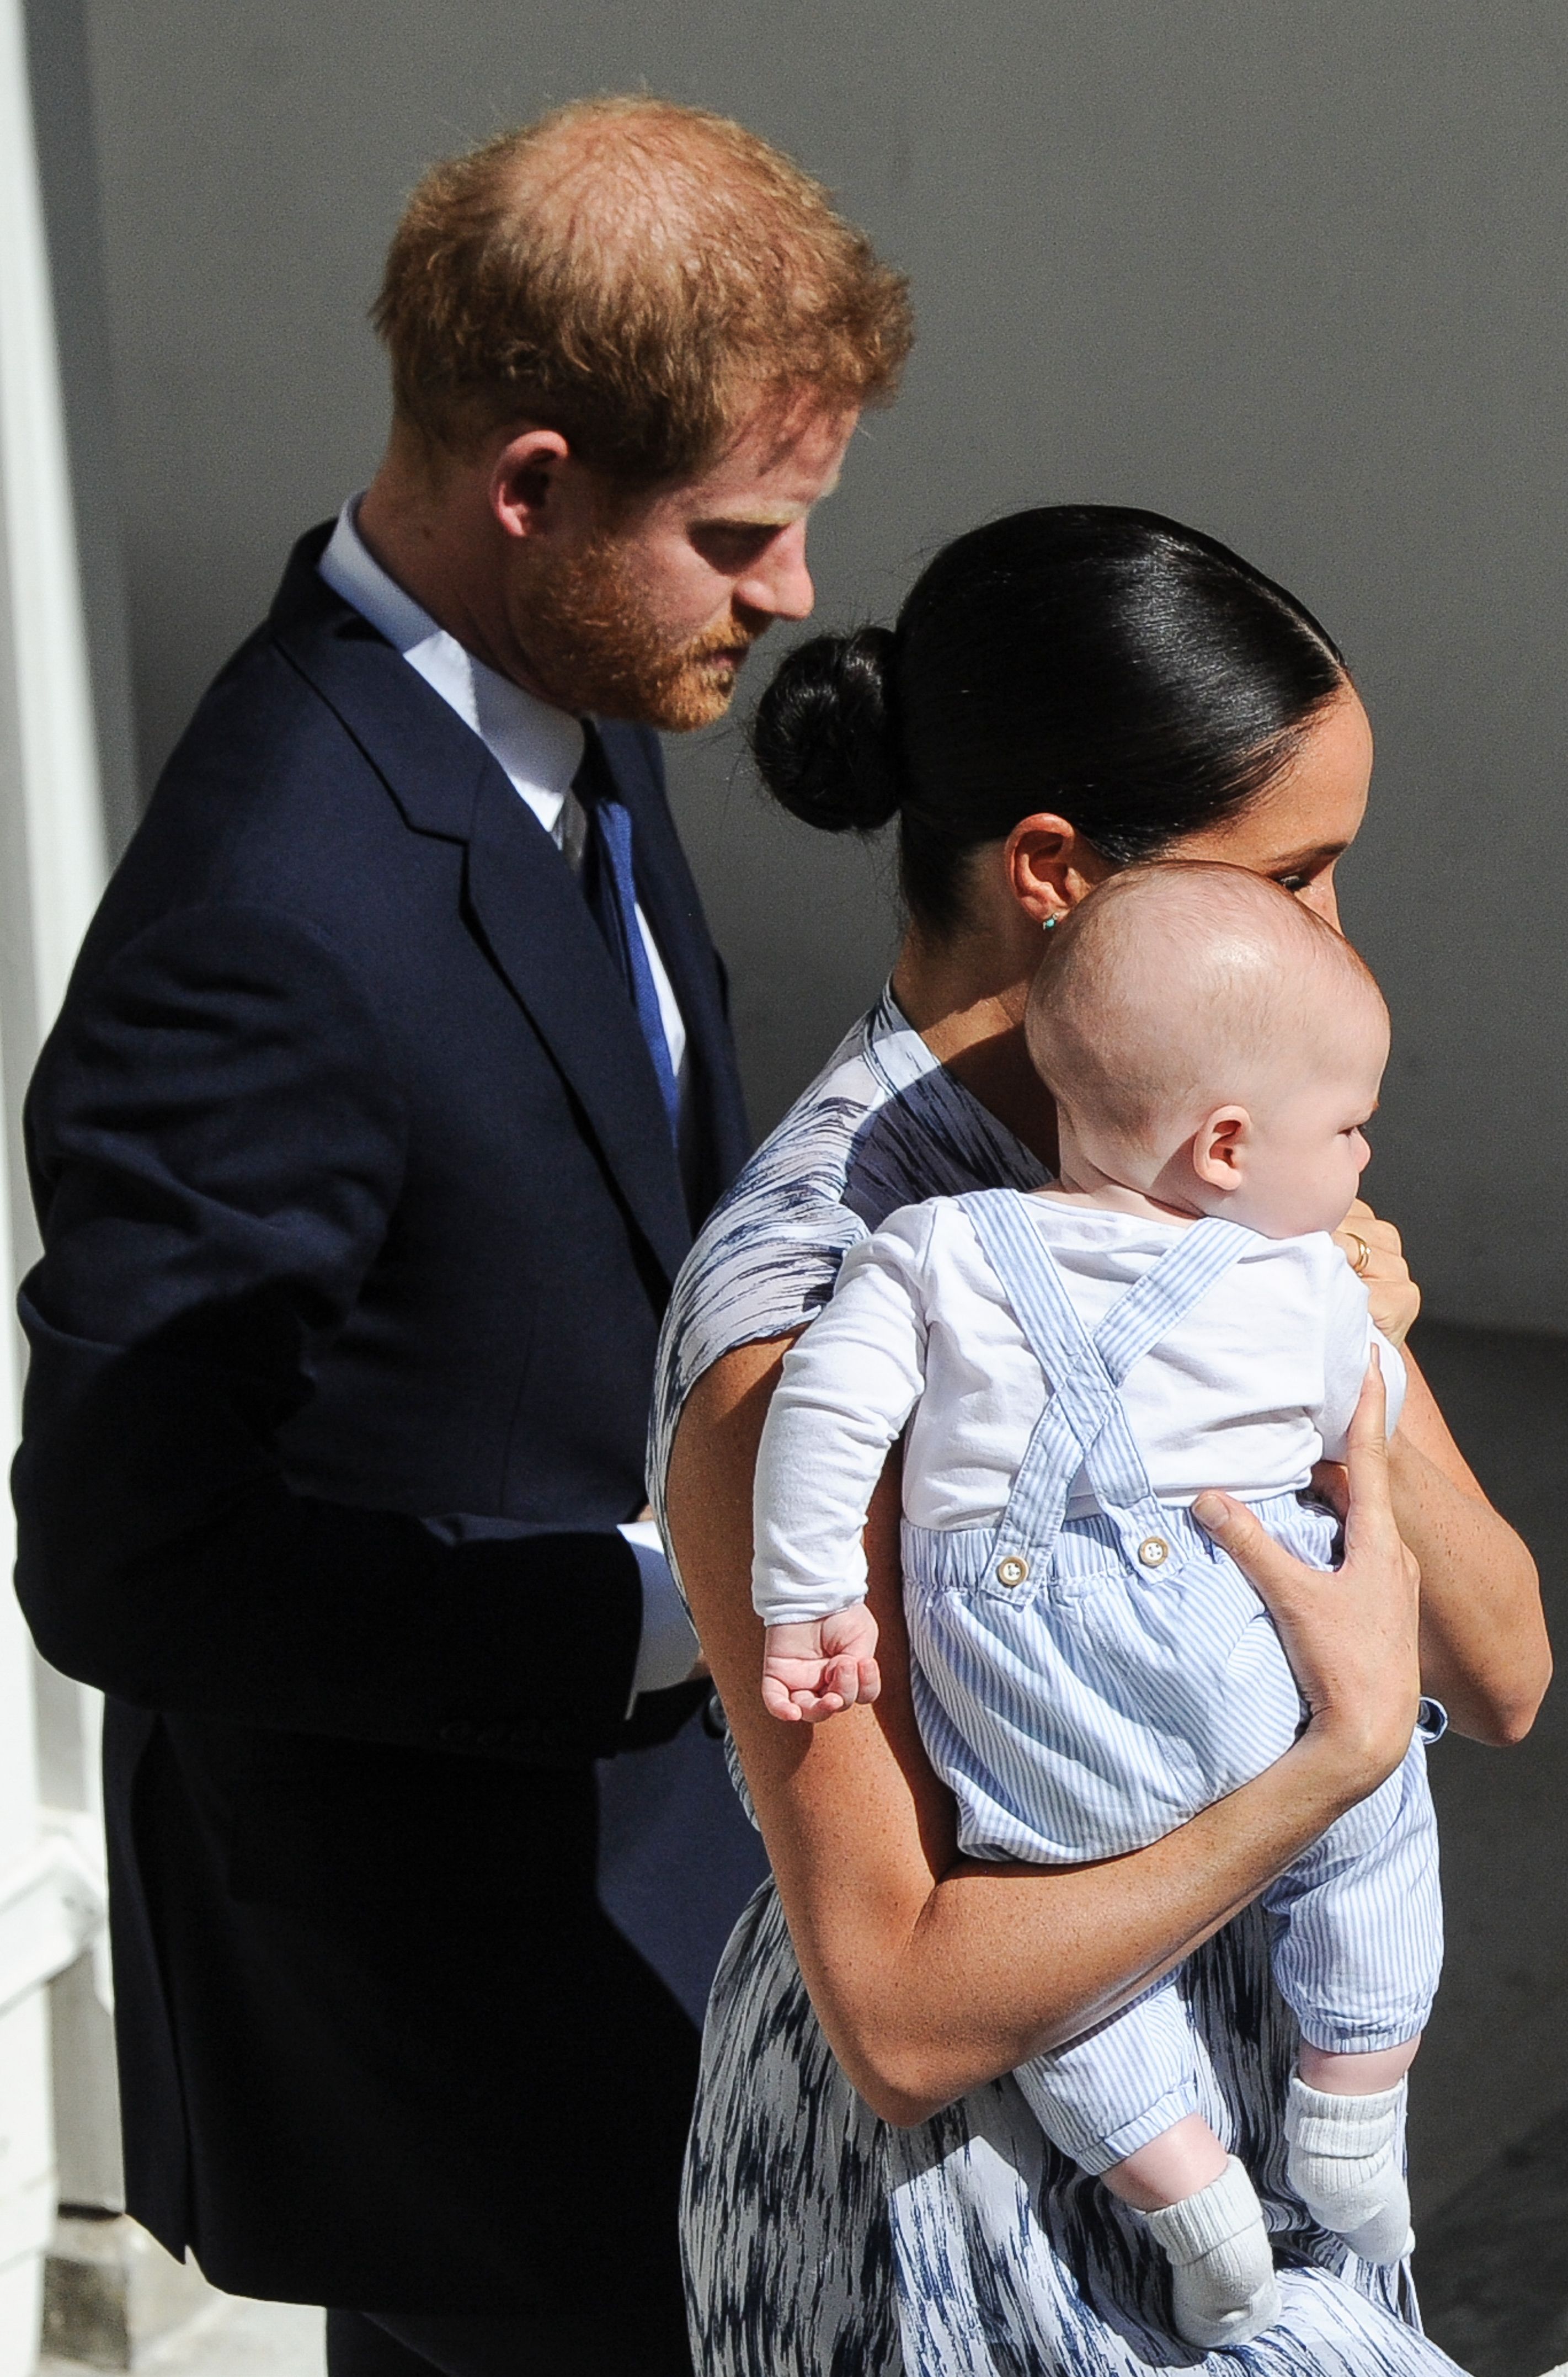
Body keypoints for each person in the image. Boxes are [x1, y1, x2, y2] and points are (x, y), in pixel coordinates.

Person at [12, 97, 911, 2377]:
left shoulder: (574, 694)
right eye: (738, 536)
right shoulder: (268, 923)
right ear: (529, 486)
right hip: (459, 2027)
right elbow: (127, 1563)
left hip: (658, 1948)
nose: (791, 595)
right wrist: (654, 1595)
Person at [655, 505, 1549, 2375]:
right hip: (977, 2253)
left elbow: (1505, 1659)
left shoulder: (1232, 1147)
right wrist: (1325, 1773)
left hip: (1267, 2157)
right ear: (1053, 868)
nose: (1331, 939)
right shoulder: (810, 1318)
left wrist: (1362, 1349)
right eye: (1295, 877)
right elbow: (896, 2004)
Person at [750, 864, 1443, 2349]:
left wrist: (809, 1598)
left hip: (1016, 1663)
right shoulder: (1301, 1287)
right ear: (1228, 1142)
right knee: (1374, 1823)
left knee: (1057, 1915)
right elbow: (1361, 1438)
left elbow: (825, 1410)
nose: (1364, 1149)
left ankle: (1181, 2194)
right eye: (1348, 1124)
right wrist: (1380, 1335)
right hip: (1233, 1635)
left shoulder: (930, 1244)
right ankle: (1352, 2099)